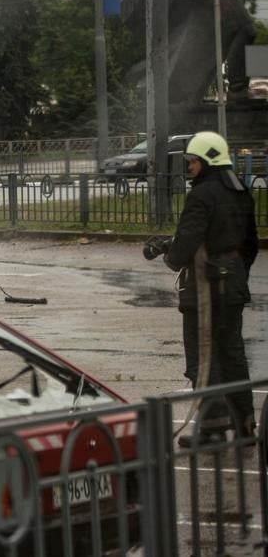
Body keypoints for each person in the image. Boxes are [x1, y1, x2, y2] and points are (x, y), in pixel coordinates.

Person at [144, 131, 258, 446]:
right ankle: (246, 426)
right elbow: (250, 244)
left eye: (193, 161)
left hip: (206, 289)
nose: (190, 167)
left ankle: (212, 429)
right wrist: (236, 273)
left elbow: (186, 244)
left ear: (207, 160)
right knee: (233, 355)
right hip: (233, 286)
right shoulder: (240, 190)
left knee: (202, 357)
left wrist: (170, 256)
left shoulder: (202, 194)